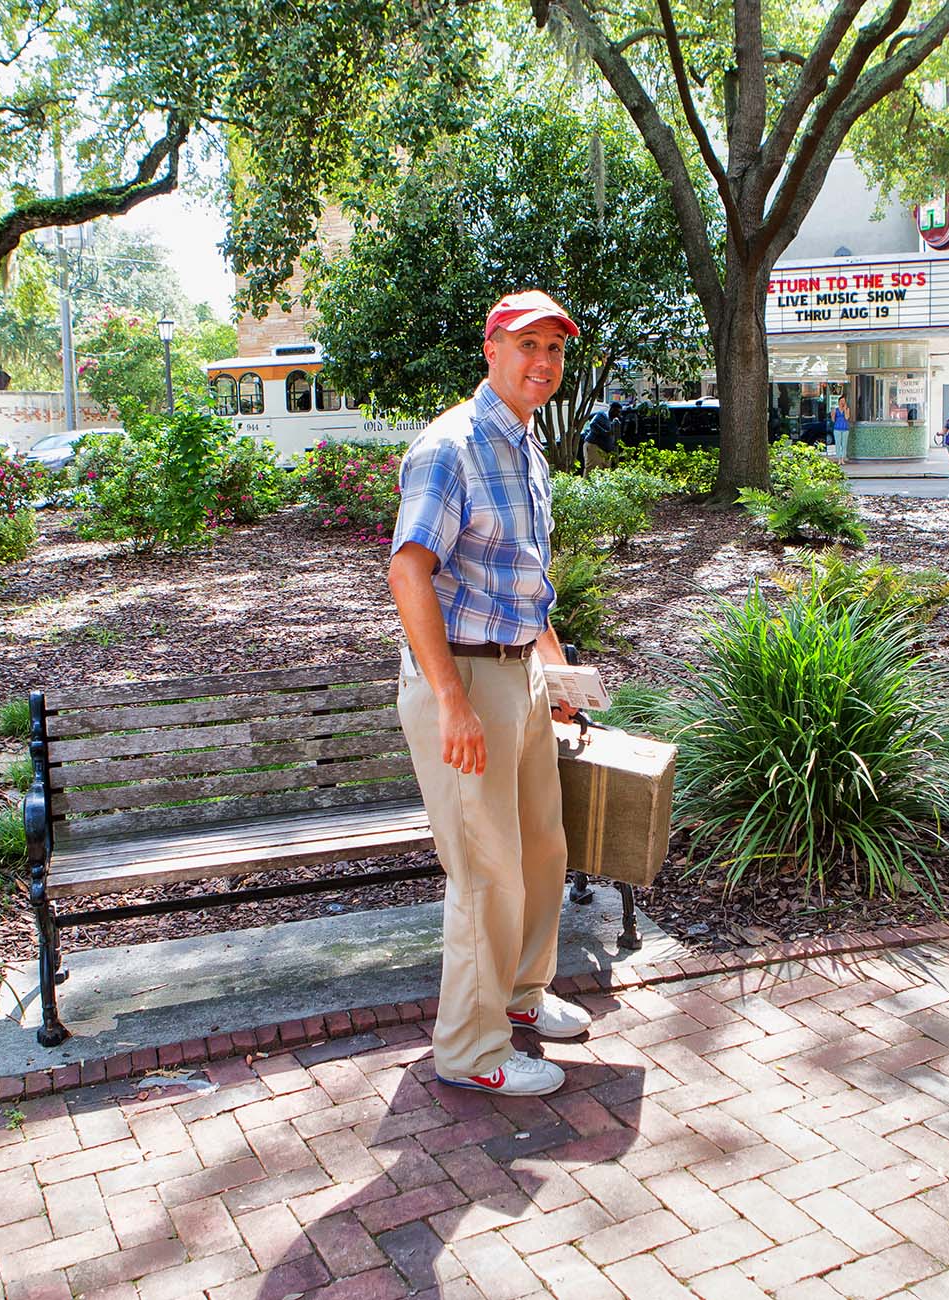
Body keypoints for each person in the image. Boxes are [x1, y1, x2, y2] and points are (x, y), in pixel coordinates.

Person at [387, 288, 592, 1098]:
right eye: (526, 346)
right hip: (463, 677)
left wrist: (559, 670)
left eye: (555, 349)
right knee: (485, 871)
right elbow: (409, 572)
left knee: (543, 849)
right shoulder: (452, 447)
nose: (542, 363)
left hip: (523, 672)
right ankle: (470, 1053)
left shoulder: (528, 450)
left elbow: (524, 583)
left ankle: (518, 1000)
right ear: (491, 351)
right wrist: (452, 701)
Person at [581, 401, 621, 473]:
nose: (618, 414)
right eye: (616, 411)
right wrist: (605, 432)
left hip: (606, 451)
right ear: (611, 409)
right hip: (595, 446)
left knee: (605, 473)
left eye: (619, 412)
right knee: (592, 470)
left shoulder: (613, 421)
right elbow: (593, 424)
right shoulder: (602, 415)